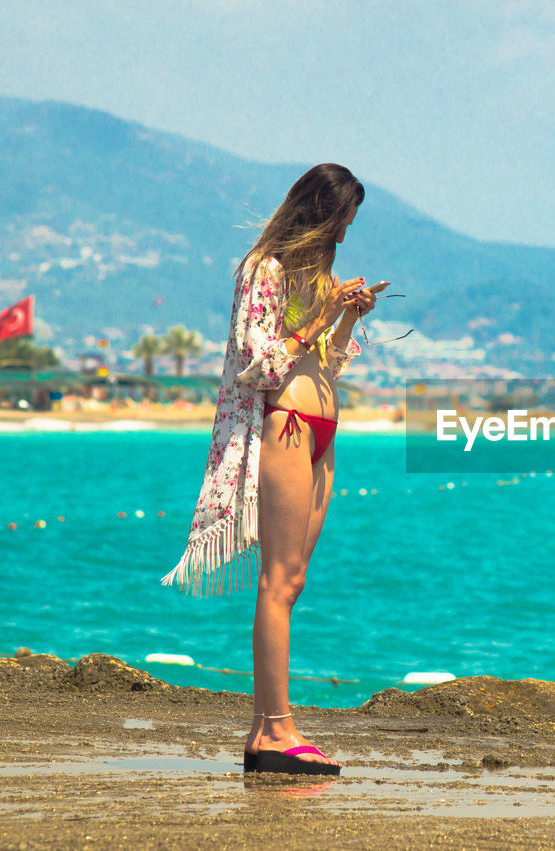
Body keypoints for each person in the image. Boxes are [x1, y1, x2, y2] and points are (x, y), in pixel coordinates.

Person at [162, 163, 385, 775]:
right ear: (318, 213)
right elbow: (256, 368)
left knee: (296, 581)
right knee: (278, 581)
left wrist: (347, 317)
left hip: (321, 429)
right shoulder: (264, 270)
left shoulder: (317, 277)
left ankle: (268, 728)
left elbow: (327, 365)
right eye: (341, 224)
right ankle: (277, 730)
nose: (343, 238)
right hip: (285, 426)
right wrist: (319, 316)